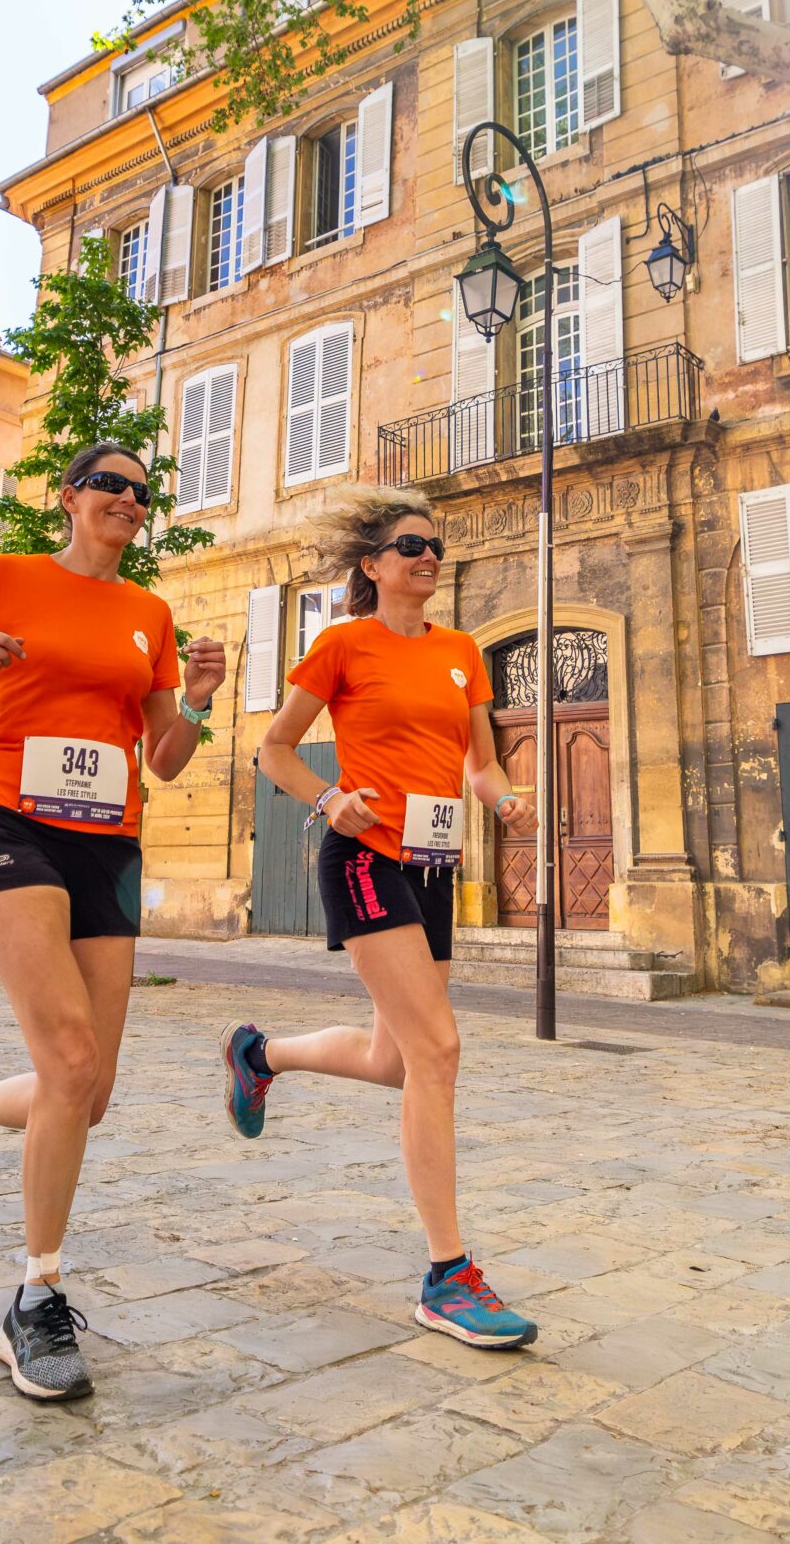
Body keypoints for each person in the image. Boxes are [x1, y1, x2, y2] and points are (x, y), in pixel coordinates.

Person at [0, 442, 224, 1402]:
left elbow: (165, 760)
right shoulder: (5, 577)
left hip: (108, 841)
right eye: (110, 484)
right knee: (68, 1061)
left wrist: (194, 703)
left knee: (89, 1090)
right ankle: (36, 1299)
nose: (128, 500)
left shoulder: (148, 611)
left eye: (142, 492)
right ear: (69, 497)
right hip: (8, 821)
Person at [221, 486, 540, 1350]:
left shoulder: (461, 653)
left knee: (394, 1060)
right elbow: (275, 750)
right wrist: (331, 798)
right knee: (439, 1050)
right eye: (409, 546)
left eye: (434, 545)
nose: (427, 556)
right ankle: (449, 1274)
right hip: (366, 858)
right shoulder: (341, 645)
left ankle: (261, 1054)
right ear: (373, 566)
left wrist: (506, 802)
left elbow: (481, 764)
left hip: (434, 867)